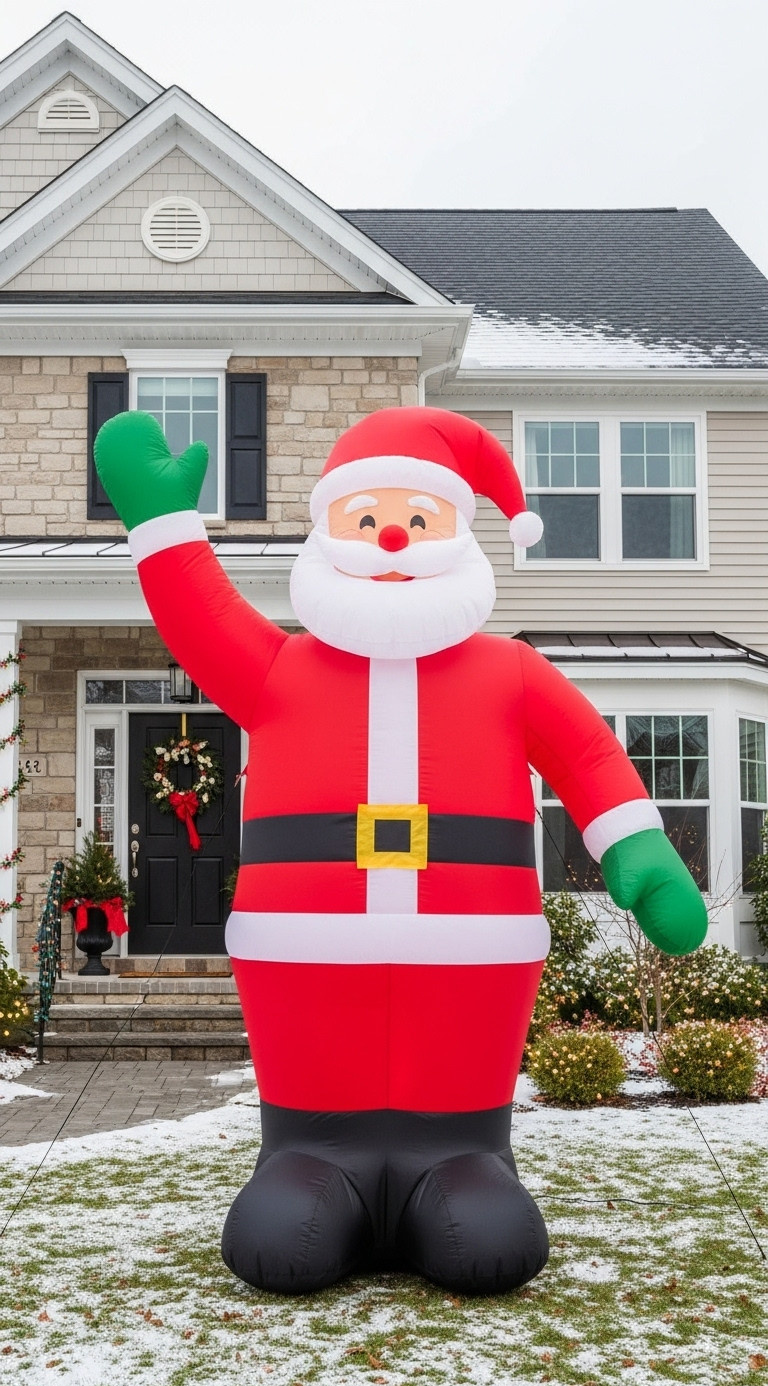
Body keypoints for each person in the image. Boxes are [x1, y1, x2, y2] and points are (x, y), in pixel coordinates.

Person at [95, 405, 707, 1294]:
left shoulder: (510, 673)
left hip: (468, 966)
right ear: (327, 533)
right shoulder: (278, 670)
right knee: (288, 1228)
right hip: (309, 966)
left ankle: (465, 1163)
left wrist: (638, 850)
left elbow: (587, 754)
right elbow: (201, 618)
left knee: (482, 1229)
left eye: (418, 518)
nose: (391, 536)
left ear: (456, 536)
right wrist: (162, 523)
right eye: (367, 517)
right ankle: (304, 1161)